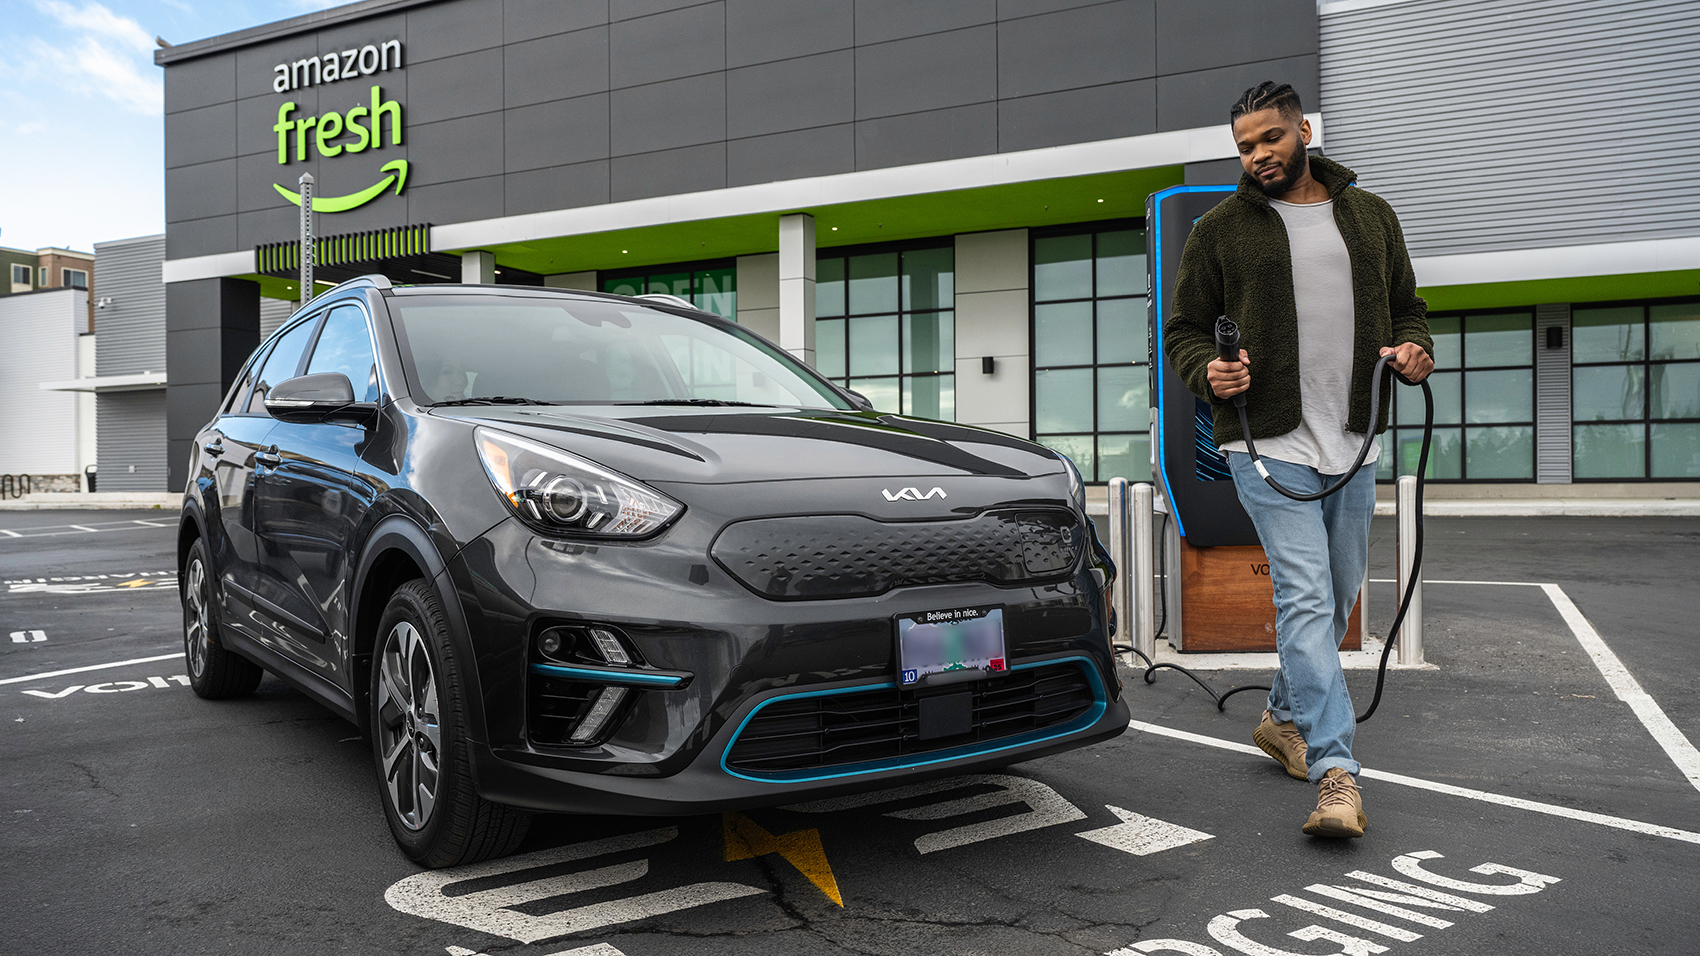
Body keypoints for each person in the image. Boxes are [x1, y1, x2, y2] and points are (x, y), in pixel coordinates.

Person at [1163, 81, 1434, 838]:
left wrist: (1416, 351)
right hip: (1263, 442)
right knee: (1308, 599)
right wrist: (1206, 371)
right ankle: (1335, 771)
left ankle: (1283, 716)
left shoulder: (1372, 216)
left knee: (1338, 591)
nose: (1258, 156)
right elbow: (1182, 330)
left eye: (1270, 139)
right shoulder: (1219, 230)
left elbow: (1409, 307)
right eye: (1245, 146)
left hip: (1351, 437)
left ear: (1303, 130)